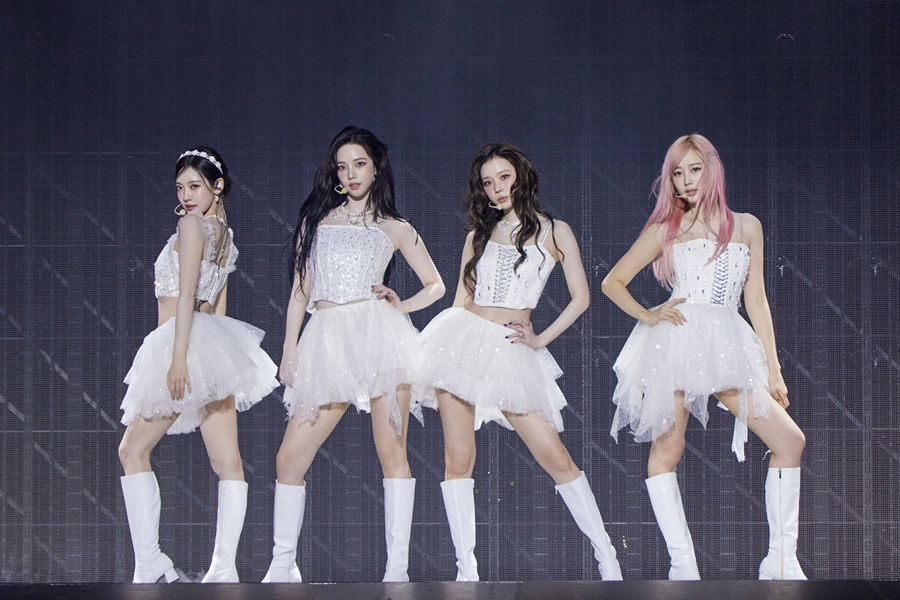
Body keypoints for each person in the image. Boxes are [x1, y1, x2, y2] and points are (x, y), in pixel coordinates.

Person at [601, 134, 807, 580]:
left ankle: (780, 561)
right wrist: (648, 314)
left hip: (728, 344)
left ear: (712, 169)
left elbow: (757, 301)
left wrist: (774, 369)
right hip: (677, 340)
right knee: (667, 448)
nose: (686, 180)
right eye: (677, 173)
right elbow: (612, 281)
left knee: (790, 441)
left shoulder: (747, 226)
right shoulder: (666, 229)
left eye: (694, 169)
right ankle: (683, 566)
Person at [414, 143, 622, 582]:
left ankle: (607, 557)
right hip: (462, 341)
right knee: (458, 458)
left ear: (521, 176)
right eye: (488, 182)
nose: (497, 188)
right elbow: (460, 299)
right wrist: (442, 349)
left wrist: (540, 339)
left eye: (504, 177)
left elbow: (581, 298)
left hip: (511, 347)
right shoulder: (478, 234)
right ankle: (466, 571)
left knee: (555, 456)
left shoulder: (554, 231)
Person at [262, 126, 444, 583]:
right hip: (325, 338)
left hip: (379, 335)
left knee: (392, 452)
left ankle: (396, 571)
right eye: (343, 167)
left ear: (376, 167)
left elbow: (436, 285)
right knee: (289, 459)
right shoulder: (317, 222)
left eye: (359, 164)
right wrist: (288, 346)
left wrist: (402, 304)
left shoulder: (395, 227)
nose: (351, 173)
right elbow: (301, 290)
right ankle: (282, 565)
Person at [117, 147, 278, 583]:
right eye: (180, 188)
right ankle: (223, 569)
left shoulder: (190, 226)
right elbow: (217, 310)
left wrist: (177, 360)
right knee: (228, 462)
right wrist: (219, 361)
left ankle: (150, 562)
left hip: (181, 343)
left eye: (195, 186)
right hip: (211, 344)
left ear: (217, 186)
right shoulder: (225, 234)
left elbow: (188, 294)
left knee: (132, 450)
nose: (186, 196)